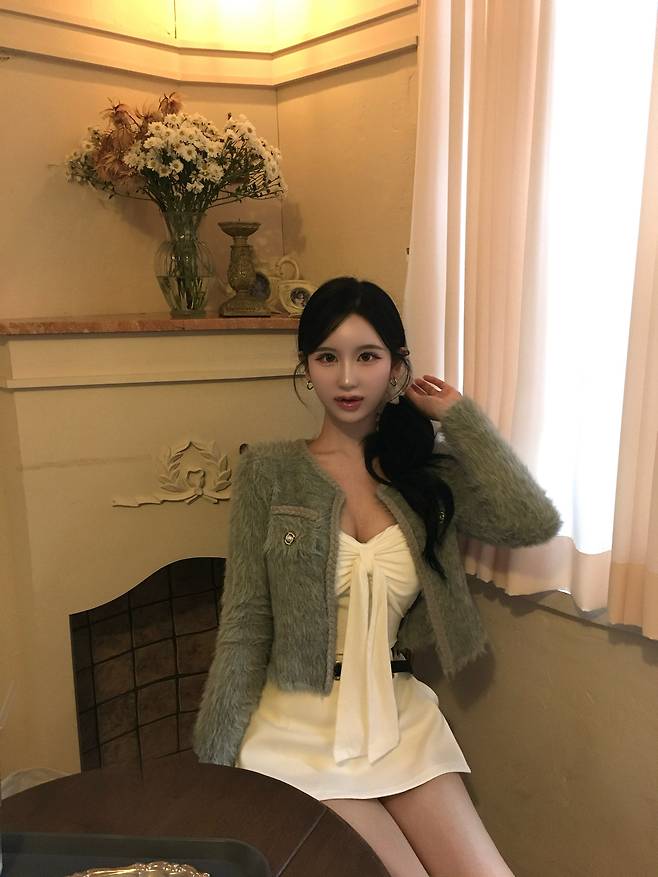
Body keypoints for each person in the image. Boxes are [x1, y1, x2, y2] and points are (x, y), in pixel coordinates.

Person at [194, 277, 562, 877]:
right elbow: (244, 625)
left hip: (398, 716)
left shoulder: (422, 474)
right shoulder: (269, 471)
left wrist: (460, 417)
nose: (346, 379)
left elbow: (530, 519)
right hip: (297, 727)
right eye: (327, 358)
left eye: (367, 356)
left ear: (395, 366)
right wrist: (212, 769)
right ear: (306, 366)